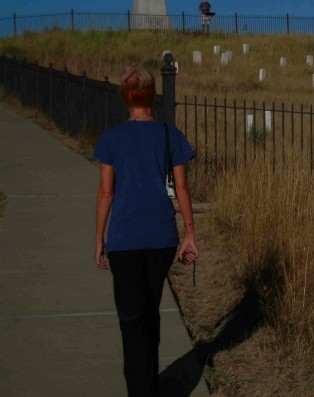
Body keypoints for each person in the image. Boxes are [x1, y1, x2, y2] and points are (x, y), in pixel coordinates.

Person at [94, 63, 198, 396]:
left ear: (125, 97)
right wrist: (190, 234)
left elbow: (106, 192)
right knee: (150, 310)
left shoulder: (111, 138)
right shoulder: (170, 134)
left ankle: (140, 389)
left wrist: (99, 237)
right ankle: (151, 382)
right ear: (152, 95)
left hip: (124, 239)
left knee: (131, 318)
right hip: (161, 238)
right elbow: (181, 188)